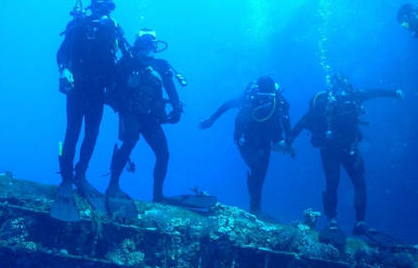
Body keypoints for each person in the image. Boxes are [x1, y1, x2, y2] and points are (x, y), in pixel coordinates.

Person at [288, 74, 402, 239]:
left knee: (333, 184)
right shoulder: (354, 96)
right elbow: (376, 92)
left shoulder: (325, 101)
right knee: (358, 183)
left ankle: (332, 220)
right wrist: (395, 93)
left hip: (331, 150)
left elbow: (303, 121)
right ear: (348, 85)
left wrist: (289, 140)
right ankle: (359, 222)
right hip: (349, 149)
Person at [52, 0, 127, 221]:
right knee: (72, 132)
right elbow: (61, 53)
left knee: (92, 133)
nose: (101, 9)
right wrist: (64, 70)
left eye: (106, 5)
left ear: (110, 8)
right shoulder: (78, 25)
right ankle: (66, 178)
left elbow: (123, 61)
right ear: (92, 5)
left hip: (98, 91)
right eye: (98, 4)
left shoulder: (114, 29)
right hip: (77, 88)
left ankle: (80, 174)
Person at [105, 28, 183, 219]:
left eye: (151, 41)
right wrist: (126, 106)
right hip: (130, 113)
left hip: (149, 116)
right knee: (130, 141)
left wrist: (176, 108)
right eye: (144, 40)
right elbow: (115, 89)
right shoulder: (126, 62)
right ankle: (113, 184)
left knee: (163, 154)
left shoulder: (161, 65)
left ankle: (158, 196)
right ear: (138, 42)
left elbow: (171, 89)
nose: (148, 44)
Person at [200, 76, 291, 217]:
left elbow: (286, 120)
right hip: (246, 139)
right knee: (257, 169)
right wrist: (212, 119)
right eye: (262, 96)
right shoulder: (249, 98)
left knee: (261, 175)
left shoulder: (279, 102)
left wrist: (287, 140)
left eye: (268, 97)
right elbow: (228, 104)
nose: (264, 100)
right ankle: (255, 208)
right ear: (257, 92)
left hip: (265, 140)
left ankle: (255, 209)